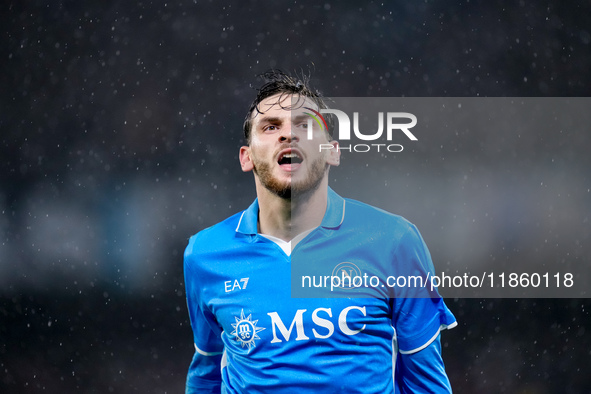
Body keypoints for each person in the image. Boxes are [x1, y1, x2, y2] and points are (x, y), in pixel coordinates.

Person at [183, 70, 457, 393]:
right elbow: (207, 376)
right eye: (271, 127)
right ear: (247, 157)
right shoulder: (205, 255)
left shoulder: (394, 243)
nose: (289, 135)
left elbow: (426, 384)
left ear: (332, 152)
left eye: (305, 125)